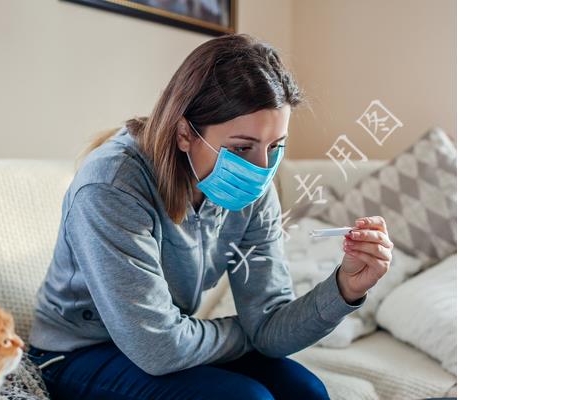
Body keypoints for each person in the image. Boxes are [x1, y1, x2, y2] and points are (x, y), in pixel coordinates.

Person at [27, 33, 393, 400]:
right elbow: (161, 348)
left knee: (307, 392)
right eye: (241, 148)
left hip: (165, 343)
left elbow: (271, 328)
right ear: (185, 133)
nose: (262, 168)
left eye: (275, 146)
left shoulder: (253, 188)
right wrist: (251, 332)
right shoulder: (111, 187)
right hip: (75, 355)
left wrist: (345, 288)